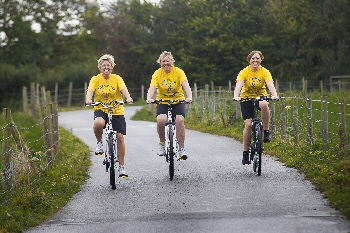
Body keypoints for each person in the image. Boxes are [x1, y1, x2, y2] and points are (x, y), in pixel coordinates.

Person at [86, 54, 133, 177]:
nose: (106, 67)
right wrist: (89, 99)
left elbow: (124, 90)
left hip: (116, 109)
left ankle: (122, 167)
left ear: (112, 67)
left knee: (120, 137)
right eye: (104, 65)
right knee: (98, 123)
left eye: (109, 65)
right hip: (101, 108)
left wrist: (128, 98)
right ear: (100, 67)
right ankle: (100, 143)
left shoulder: (117, 78)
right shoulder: (95, 79)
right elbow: (90, 90)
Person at [233, 50, 279, 165]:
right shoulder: (244, 72)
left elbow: (270, 84)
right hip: (246, 98)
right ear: (249, 60)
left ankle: (266, 131)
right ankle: (245, 153)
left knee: (264, 104)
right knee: (248, 125)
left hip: (260, 97)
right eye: (253, 58)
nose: (255, 60)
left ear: (261, 59)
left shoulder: (265, 72)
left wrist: (274, 95)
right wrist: (236, 96)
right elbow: (239, 85)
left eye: (257, 58)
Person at [146, 51, 193, 160]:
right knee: (161, 120)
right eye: (163, 61)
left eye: (168, 61)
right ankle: (162, 144)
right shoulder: (157, 73)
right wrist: (149, 98)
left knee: (180, 120)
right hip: (163, 101)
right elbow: (152, 87)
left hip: (178, 100)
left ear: (172, 61)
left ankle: (181, 149)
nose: (165, 63)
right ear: (160, 63)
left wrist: (189, 97)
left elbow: (186, 85)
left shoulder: (179, 72)